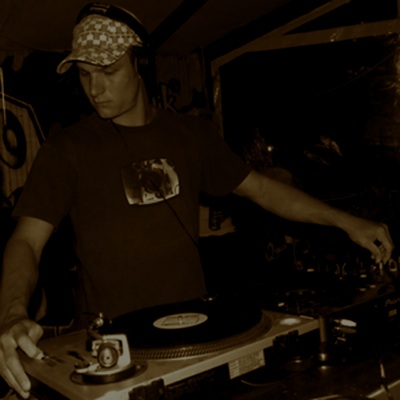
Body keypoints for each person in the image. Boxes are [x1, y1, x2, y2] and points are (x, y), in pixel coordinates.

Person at [0, 2, 394, 398]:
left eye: (108, 72)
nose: (95, 89)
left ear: (141, 64)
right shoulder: (66, 149)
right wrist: (13, 313)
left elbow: (262, 189)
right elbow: (27, 242)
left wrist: (346, 221)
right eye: (85, 75)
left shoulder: (190, 135)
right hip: (113, 353)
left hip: (200, 341)